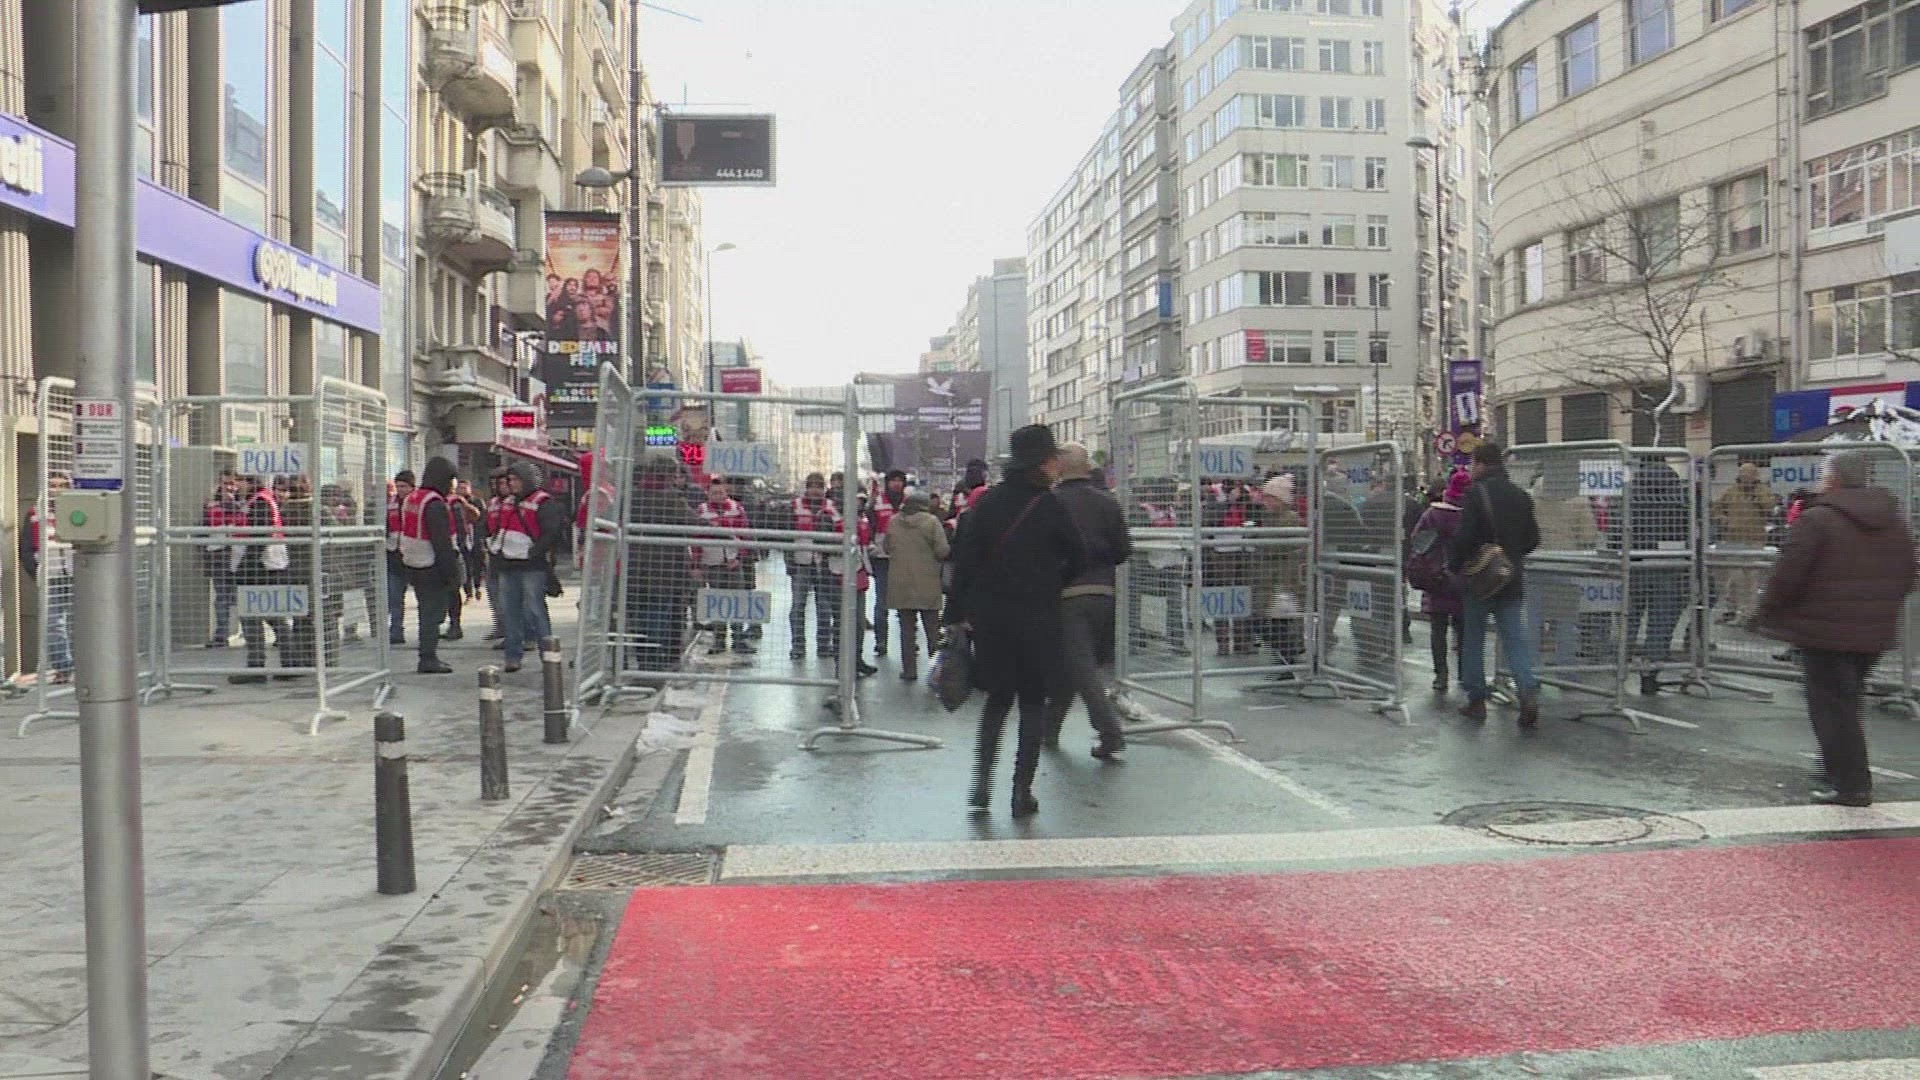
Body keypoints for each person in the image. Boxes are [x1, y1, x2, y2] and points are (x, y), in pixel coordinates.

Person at [1754, 450, 1917, 807]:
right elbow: (1909, 570)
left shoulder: (1818, 519)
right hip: (1873, 631)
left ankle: (1850, 784)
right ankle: (1836, 771)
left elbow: (1789, 573)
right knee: (1847, 703)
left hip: (1824, 631)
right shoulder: (1892, 519)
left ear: (1833, 479)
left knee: (1832, 709)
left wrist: (1766, 611)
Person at [947, 424, 1086, 818]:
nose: (1057, 465)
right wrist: (1052, 581)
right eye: (1053, 458)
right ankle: (1021, 792)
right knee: (1032, 704)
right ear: (1042, 462)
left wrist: (955, 614)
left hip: (992, 621)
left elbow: (964, 563)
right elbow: (1079, 556)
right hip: (1038, 619)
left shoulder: (987, 504)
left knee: (997, 700)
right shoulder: (1050, 505)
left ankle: (981, 783)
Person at [1044, 443, 1129, 759]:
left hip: (1066, 595)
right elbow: (1123, 550)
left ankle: (1110, 732)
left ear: (1059, 468)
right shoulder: (1107, 502)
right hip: (1104, 592)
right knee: (1073, 663)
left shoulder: (1049, 503)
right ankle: (1048, 729)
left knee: (1081, 666)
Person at [1448, 441, 1542, 726]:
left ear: (1481, 463)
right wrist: (1509, 555)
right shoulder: (1521, 496)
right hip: (1511, 577)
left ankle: (1476, 699)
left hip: (1481, 578)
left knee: (1474, 638)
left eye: (1472, 463)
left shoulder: (1476, 494)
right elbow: (1533, 539)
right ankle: (1527, 691)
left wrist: (1455, 564)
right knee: (1515, 637)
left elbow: (1464, 536)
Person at [493, 462, 566, 673]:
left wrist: (534, 552)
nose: (512, 484)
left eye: (516, 480)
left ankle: (548, 657)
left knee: (536, 611)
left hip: (532, 566)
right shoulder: (508, 502)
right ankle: (512, 656)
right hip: (508, 564)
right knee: (510, 612)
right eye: (510, 480)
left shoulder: (543, 502)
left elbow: (551, 533)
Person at [396, 457, 461, 674]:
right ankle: (428, 657)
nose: (452, 485)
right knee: (432, 614)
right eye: (451, 479)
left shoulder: (413, 498)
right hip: (431, 565)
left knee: (426, 611)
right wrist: (452, 574)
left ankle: (427, 655)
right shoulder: (434, 503)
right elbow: (441, 542)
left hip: (412, 562)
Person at [1410, 470, 1470, 694]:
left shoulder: (1433, 514)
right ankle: (1464, 673)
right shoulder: (1471, 515)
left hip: (1437, 577)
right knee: (1463, 630)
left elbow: (1418, 542)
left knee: (1438, 629)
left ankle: (1441, 675)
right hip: (1465, 578)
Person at [228, 473, 291, 684]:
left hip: (260, 568)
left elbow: (260, 537)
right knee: (273, 615)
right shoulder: (260, 500)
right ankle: (289, 663)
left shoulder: (260, 502)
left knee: (253, 617)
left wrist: (246, 566)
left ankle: (258, 665)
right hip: (266, 566)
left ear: (250, 482)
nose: (236, 486)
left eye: (239, 481)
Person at [882, 487, 949, 681]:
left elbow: (886, 547)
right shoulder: (932, 522)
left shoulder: (893, 522)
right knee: (932, 631)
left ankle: (909, 670)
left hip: (901, 584)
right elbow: (942, 550)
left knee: (907, 631)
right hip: (927, 583)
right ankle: (936, 673)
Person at [1247, 474, 1308, 678]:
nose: (1265, 502)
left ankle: (1287, 664)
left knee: (1276, 625)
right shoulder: (1270, 520)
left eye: (1269, 498)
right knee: (1271, 624)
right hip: (1270, 580)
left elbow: (1283, 548)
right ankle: (1284, 663)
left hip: (1282, 581)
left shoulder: (1290, 520)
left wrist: (1258, 540)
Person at [20, 471, 74, 683]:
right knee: (53, 622)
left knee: (88, 619)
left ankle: (91, 665)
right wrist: (37, 571)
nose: (56, 489)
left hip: (80, 572)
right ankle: (64, 668)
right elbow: (25, 547)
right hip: (51, 574)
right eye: (52, 485)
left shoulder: (78, 508)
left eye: (62, 485)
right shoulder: (36, 511)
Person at [695, 477, 755, 655]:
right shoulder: (702, 510)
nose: (718, 496)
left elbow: (745, 534)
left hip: (733, 562)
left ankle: (738, 639)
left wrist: (739, 558)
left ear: (726, 493)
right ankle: (719, 640)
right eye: (714, 493)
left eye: (721, 492)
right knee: (717, 602)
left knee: (736, 600)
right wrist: (696, 564)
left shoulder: (737, 508)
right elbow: (696, 539)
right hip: (711, 562)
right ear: (708, 494)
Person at [785, 472, 840, 660]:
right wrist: (789, 561)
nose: (815, 490)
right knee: (797, 607)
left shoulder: (832, 507)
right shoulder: (795, 506)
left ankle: (823, 646)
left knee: (824, 608)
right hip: (801, 562)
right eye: (812, 486)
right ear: (807, 488)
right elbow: (787, 535)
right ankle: (798, 646)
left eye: (819, 486)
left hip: (825, 564)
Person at [1711, 461, 1774, 625]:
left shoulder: (1763, 491)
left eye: (1748, 473)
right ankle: (1731, 609)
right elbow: (1716, 509)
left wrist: (1755, 492)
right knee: (1734, 576)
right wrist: (1724, 520)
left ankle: (1748, 614)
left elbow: (1769, 507)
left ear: (1755, 475)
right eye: (1742, 473)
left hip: (1755, 539)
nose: (1744, 476)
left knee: (1751, 577)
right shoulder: (1730, 491)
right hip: (1732, 539)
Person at [868, 469, 908, 658]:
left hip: (904, 558)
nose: (896, 484)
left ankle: (909, 642)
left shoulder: (909, 503)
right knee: (881, 602)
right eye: (893, 480)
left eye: (900, 480)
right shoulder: (877, 502)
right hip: (882, 558)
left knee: (905, 603)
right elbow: (869, 528)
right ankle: (881, 641)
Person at [201, 471, 241, 648]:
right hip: (219, 556)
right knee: (222, 596)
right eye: (225, 483)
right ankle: (221, 634)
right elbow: (207, 525)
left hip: (239, 555)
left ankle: (252, 633)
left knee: (241, 596)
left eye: (232, 483)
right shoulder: (211, 505)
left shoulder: (244, 503)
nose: (229, 487)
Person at [385, 470, 414, 645]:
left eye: (404, 486)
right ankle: (396, 630)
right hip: (394, 554)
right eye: (398, 486)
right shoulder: (390, 504)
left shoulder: (417, 503)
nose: (400, 490)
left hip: (415, 554)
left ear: (412, 487)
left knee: (422, 596)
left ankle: (426, 631)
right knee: (394, 596)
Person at [482, 468, 511, 641]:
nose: (496, 487)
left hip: (510, 553)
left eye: (500, 483)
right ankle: (500, 626)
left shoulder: (514, 502)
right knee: (493, 592)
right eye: (493, 483)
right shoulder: (492, 502)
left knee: (508, 594)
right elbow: (486, 525)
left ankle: (513, 631)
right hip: (493, 552)